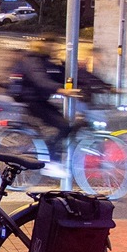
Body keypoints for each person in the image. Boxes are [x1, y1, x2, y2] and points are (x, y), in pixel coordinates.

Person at [6, 35, 76, 176]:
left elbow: (59, 76)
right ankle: (51, 162)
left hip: (40, 99)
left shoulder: (46, 60)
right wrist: (61, 90)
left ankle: (49, 151)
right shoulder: (32, 60)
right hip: (31, 100)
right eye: (51, 45)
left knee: (62, 125)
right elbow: (40, 80)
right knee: (62, 125)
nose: (54, 48)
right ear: (42, 46)